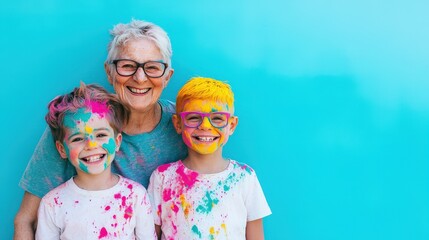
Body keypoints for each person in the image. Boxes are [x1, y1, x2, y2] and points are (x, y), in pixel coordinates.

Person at [14, 19, 187, 239]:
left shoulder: (185, 126)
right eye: (127, 65)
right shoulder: (74, 122)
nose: (140, 78)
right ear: (109, 71)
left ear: (167, 76)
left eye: (152, 67)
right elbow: (25, 219)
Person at [148, 77, 271, 240]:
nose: (205, 126)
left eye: (217, 118)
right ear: (178, 124)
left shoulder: (244, 177)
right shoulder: (162, 177)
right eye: (193, 118)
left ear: (232, 125)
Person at [36, 83, 156, 239]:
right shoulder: (52, 204)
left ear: (117, 141)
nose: (91, 145)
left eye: (100, 135)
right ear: (62, 149)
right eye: (78, 138)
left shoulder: (136, 196)